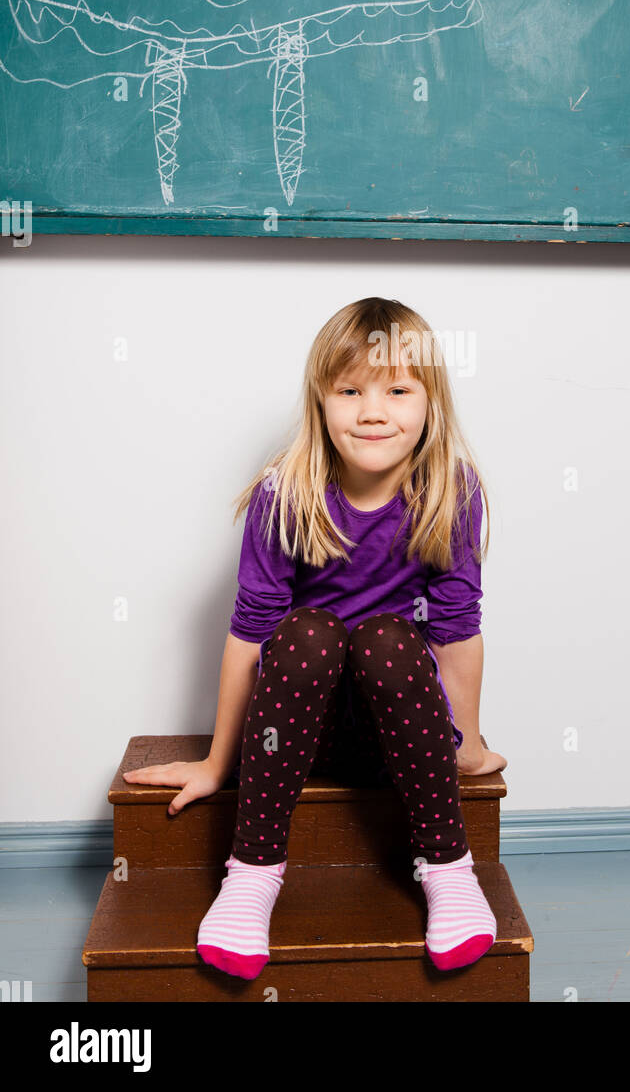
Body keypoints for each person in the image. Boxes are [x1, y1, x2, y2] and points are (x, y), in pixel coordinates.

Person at [123, 296, 506, 980]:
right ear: (320, 402)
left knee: (389, 641)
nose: (371, 411)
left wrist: (467, 745)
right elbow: (250, 635)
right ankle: (252, 874)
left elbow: (456, 630)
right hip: (301, 732)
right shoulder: (287, 490)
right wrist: (218, 763)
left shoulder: (451, 490)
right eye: (350, 391)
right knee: (308, 631)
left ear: (430, 402)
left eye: (396, 390)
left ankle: (447, 869)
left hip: (398, 732)